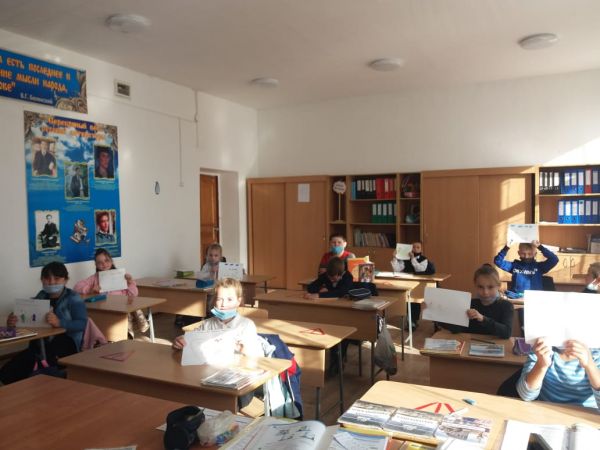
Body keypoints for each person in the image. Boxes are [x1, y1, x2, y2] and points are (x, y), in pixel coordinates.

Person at [0, 262, 87, 385]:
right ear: (41, 280)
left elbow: (82, 324)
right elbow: (29, 317)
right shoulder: (41, 295)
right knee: (11, 370)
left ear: (66, 280)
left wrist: (60, 322)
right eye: (47, 278)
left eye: (57, 278)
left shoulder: (73, 298)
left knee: (32, 367)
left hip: (66, 343)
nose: (51, 282)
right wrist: (14, 320)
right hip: (40, 343)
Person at [172, 278, 262, 357]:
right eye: (219, 299)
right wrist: (180, 341)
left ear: (238, 301)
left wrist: (245, 350)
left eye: (229, 299)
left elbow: (258, 355)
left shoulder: (246, 325)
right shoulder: (207, 324)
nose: (224, 304)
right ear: (215, 301)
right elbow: (192, 339)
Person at [73, 248, 148, 335]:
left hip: (121, 307)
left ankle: (128, 331)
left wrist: (130, 282)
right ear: (96, 265)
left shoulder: (121, 276)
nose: (104, 264)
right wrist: (90, 289)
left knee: (127, 310)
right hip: (105, 310)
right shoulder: (94, 278)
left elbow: (134, 294)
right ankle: (123, 332)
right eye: (100, 262)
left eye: (106, 260)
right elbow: (76, 287)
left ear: (111, 261)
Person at [516, 337, 600, 410]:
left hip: (584, 417)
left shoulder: (596, 354)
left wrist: (590, 365)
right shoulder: (542, 348)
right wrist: (541, 365)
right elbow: (525, 395)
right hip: (546, 413)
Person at [434, 264, 514, 339]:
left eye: (490, 287)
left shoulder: (506, 306)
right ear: (475, 286)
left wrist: (483, 319)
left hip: (495, 346)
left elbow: (506, 333)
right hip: (469, 345)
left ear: (498, 286)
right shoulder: (470, 304)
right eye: (480, 287)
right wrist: (437, 315)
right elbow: (457, 329)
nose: (485, 292)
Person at [391, 241, 435, 330]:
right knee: (408, 301)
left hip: (419, 284)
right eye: (413, 247)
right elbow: (397, 269)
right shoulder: (405, 259)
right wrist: (395, 257)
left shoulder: (424, 259)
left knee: (415, 301)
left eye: (418, 247)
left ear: (421, 249)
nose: (415, 249)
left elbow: (420, 269)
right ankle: (410, 321)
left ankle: (414, 320)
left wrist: (412, 258)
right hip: (407, 282)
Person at [494, 240, 559, 297]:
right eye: (523, 254)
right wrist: (506, 248)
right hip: (517, 297)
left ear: (535, 254)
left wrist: (540, 247)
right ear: (519, 253)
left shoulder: (539, 267)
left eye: (530, 254)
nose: (526, 256)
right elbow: (498, 261)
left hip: (535, 298)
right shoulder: (514, 266)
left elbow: (554, 259)